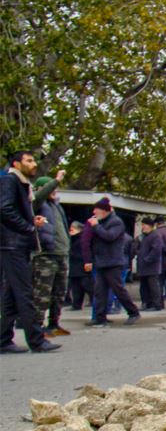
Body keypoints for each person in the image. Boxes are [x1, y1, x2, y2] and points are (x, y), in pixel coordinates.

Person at [1, 151, 58, 352]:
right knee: (25, 293)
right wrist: (28, 227)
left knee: (11, 295)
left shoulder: (20, 182)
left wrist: (30, 222)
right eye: (29, 160)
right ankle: (36, 340)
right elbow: (4, 209)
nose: (34, 164)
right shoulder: (10, 180)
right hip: (12, 245)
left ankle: (4, 339)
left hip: (15, 244)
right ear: (17, 164)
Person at [87, 197, 141, 327]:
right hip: (101, 261)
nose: (94, 211)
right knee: (100, 291)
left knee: (118, 289)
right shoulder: (102, 222)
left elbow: (109, 236)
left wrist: (96, 227)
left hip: (113, 261)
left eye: (97, 209)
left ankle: (133, 312)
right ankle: (100, 318)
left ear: (104, 211)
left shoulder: (116, 222)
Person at [31, 172, 71, 336]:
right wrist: (56, 179)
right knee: (42, 293)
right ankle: (37, 327)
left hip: (61, 254)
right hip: (46, 255)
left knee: (59, 292)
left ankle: (54, 323)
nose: (55, 191)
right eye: (51, 188)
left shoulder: (56, 206)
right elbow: (39, 195)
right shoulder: (37, 203)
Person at [137, 217, 164, 311]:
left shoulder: (155, 236)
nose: (143, 227)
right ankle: (146, 303)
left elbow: (156, 250)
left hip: (152, 266)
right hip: (144, 266)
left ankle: (156, 304)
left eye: (144, 225)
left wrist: (147, 259)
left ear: (150, 226)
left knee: (153, 286)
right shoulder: (144, 236)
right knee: (144, 287)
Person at [68, 221, 93, 311]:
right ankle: (76, 304)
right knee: (76, 287)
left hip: (81, 265)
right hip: (74, 265)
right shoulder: (72, 238)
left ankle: (93, 300)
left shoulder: (81, 238)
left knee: (86, 285)